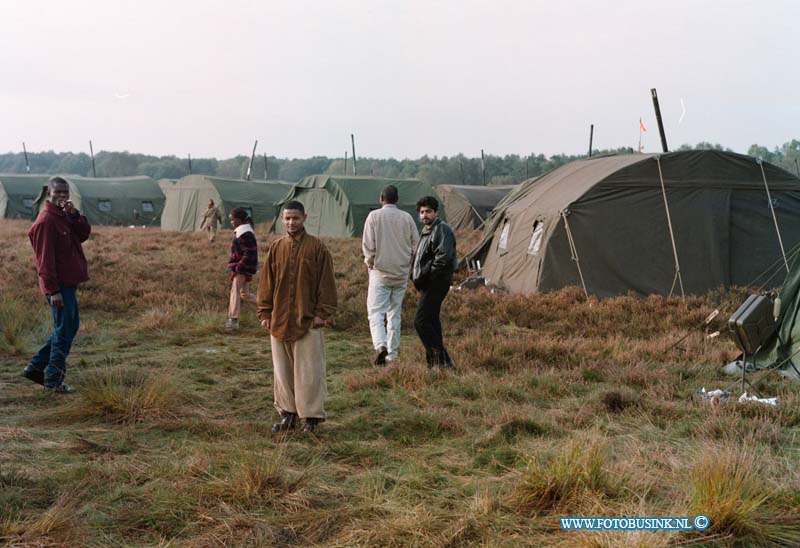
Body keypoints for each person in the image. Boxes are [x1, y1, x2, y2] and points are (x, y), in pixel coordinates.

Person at [257, 201, 337, 434]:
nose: (291, 222)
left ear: (305, 217)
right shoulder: (276, 247)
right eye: (287, 218)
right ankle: (287, 415)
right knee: (282, 371)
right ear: (282, 220)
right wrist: (265, 312)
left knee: (309, 370)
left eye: (296, 218)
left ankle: (311, 418)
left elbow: (327, 283)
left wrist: (323, 313)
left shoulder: (317, 248)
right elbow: (266, 284)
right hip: (279, 319)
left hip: (308, 320)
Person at [21, 176, 91, 393]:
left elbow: (83, 235)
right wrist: (53, 291)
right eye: (57, 192)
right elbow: (44, 261)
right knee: (64, 332)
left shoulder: (64, 216)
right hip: (59, 286)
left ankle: (35, 367)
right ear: (48, 194)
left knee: (69, 328)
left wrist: (75, 215)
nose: (62, 196)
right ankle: (53, 381)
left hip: (69, 283)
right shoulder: (46, 221)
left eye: (65, 192)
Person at [362, 185, 419, 366]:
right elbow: (416, 245)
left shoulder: (374, 217)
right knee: (394, 314)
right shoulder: (407, 218)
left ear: (381, 198)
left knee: (375, 312)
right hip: (401, 274)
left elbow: (368, 246)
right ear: (397, 199)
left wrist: (369, 263)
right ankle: (392, 355)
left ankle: (380, 345)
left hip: (380, 273)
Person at [411, 196, 457, 369]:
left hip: (437, 282)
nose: (424, 215)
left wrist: (428, 276)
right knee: (431, 321)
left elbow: (443, 257)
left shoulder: (442, 229)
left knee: (420, 321)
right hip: (429, 282)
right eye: (422, 212)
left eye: (428, 211)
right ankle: (437, 363)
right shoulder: (427, 230)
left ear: (436, 212)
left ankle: (440, 360)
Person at [225, 207, 258, 330]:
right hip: (243, 268)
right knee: (245, 294)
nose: (231, 222)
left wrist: (239, 267)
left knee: (235, 291)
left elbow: (249, 253)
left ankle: (233, 320)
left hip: (242, 269)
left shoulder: (245, 233)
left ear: (240, 220)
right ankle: (270, 309)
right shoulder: (243, 231)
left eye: (233, 220)